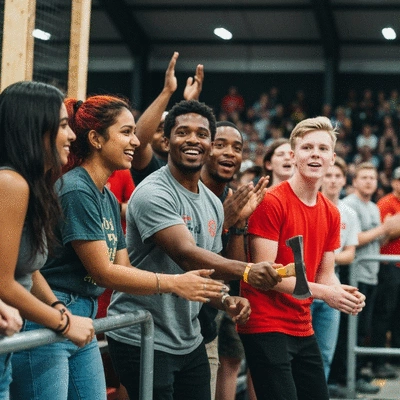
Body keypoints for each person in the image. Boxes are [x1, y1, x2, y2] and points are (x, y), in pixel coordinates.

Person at [10, 95, 225, 400]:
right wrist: (175, 283)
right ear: (96, 139)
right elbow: (103, 273)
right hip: (49, 311)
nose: (136, 142)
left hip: (82, 314)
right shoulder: (76, 189)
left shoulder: (107, 196)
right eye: (126, 132)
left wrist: (210, 294)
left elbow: (123, 269)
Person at [107, 100, 282, 400]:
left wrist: (226, 300)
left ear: (210, 145)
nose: (192, 140)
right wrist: (249, 271)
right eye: (183, 132)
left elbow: (207, 274)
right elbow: (186, 255)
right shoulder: (153, 192)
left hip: (189, 339)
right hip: (143, 335)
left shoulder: (213, 202)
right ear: (166, 140)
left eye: (201, 134)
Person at [238, 116, 366, 400]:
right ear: (293, 156)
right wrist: (326, 293)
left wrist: (340, 292)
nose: (315, 154)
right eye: (308, 148)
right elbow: (266, 276)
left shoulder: (331, 212)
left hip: (300, 322)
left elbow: (325, 273)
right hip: (266, 321)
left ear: (333, 158)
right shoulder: (271, 201)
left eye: (322, 149)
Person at [0, 80, 95, 399]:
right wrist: (64, 323)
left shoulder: (33, 184)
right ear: (35, 127)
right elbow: (3, 282)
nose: (71, 136)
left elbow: (27, 268)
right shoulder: (10, 183)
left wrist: (57, 307)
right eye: (64, 125)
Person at [200, 121, 268, 400]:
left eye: (237, 148)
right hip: (171, 320)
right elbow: (189, 258)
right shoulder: (189, 191)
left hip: (208, 318)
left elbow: (232, 271)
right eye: (220, 145)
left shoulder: (232, 196)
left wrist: (238, 225)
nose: (229, 153)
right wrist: (224, 221)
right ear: (205, 149)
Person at [338, 162, 400, 393]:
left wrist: (386, 231)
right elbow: (353, 239)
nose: (368, 182)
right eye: (363, 177)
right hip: (355, 273)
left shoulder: (373, 207)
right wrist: (385, 229)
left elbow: (378, 240)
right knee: (351, 329)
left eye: (372, 178)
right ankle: (345, 377)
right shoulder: (349, 206)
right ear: (354, 181)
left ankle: (357, 372)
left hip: (371, 273)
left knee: (364, 327)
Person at [310, 156, 360, 397]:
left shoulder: (348, 212)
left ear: (343, 180)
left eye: (337, 175)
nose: (332, 180)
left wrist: (326, 257)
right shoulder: (309, 204)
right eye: (328, 175)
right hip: (306, 284)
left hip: (333, 281)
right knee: (302, 350)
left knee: (325, 350)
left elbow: (349, 253)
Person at [130, 51, 203, 186]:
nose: (165, 135)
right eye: (159, 130)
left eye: (171, 130)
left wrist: (192, 104)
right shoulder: (150, 165)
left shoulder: (190, 162)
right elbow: (138, 143)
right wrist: (167, 91)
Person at [371, 166, 400, 379]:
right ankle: (378, 362)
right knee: (384, 313)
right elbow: (382, 235)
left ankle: (393, 359)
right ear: (394, 183)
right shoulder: (386, 203)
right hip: (388, 265)